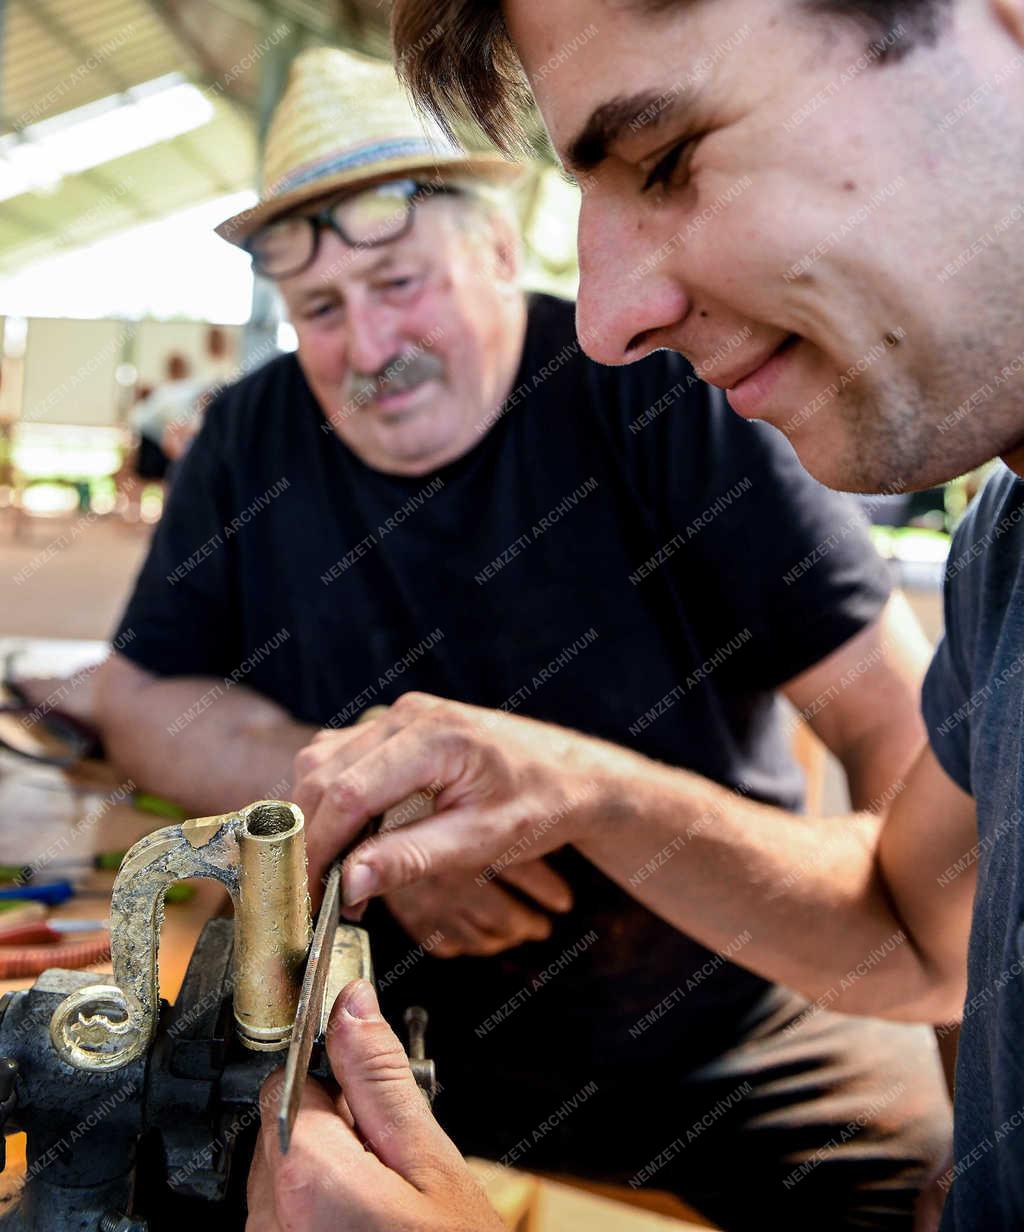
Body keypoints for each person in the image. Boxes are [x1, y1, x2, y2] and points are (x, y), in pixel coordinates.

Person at [96, 45, 952, 1232]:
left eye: (401, 282)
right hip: (379, 1029)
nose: (367, 343)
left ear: (500, 249)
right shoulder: (252, 434)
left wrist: (923, 983)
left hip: (729, 1030)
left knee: (925, 1186)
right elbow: (138, 697)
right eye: (322, 312)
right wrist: (377, 797)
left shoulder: (663, 392)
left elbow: (891, 720)